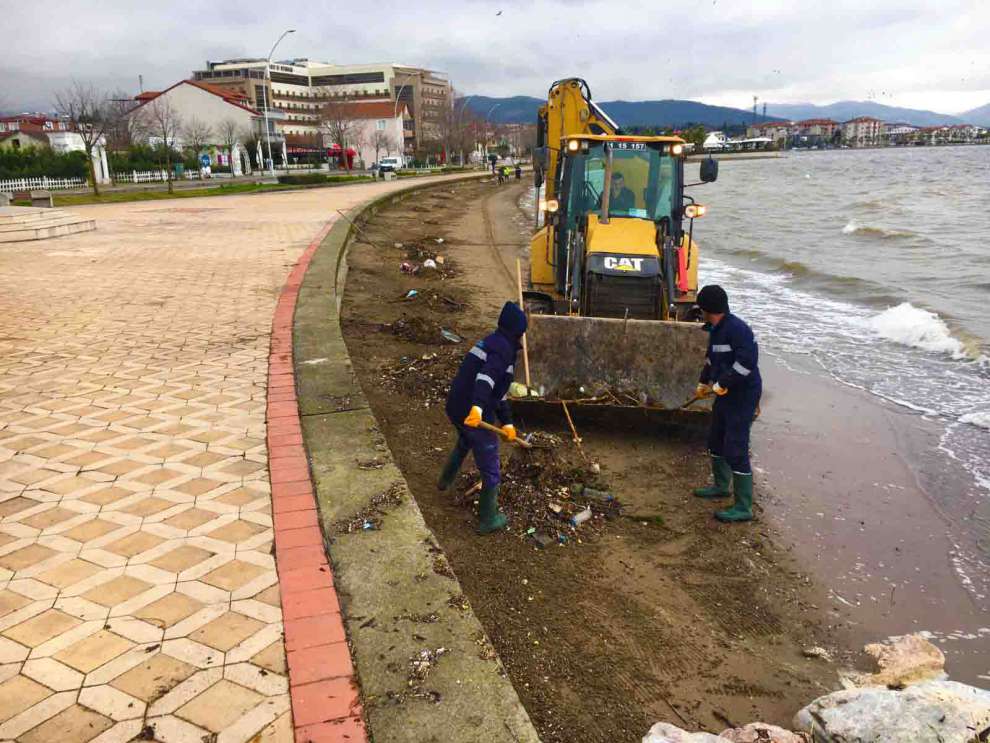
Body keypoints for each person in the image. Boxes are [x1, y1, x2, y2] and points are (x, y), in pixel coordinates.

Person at [438, 301, 528, 534]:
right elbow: (485, 380)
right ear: (518, 331)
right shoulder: (503, 350)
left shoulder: (494, 341)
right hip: (470, 408)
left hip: (457, 407)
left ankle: (445, 480)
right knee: (490, 460)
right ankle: (488, 518)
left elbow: (498, 391)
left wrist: (507, 422)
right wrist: (477, 409)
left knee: (466, 439)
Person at [692, 285, 762, 522]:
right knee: (716, 439)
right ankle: (721, 486)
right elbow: (712, 360)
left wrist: (724, 382)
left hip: (743, 394)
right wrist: (704, 382)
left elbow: (747, 362)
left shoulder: (737, 330)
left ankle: (744, 507)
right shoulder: (716, 329)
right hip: (725, 393)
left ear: (706, 309)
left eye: (700, 308)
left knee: (736, 445)